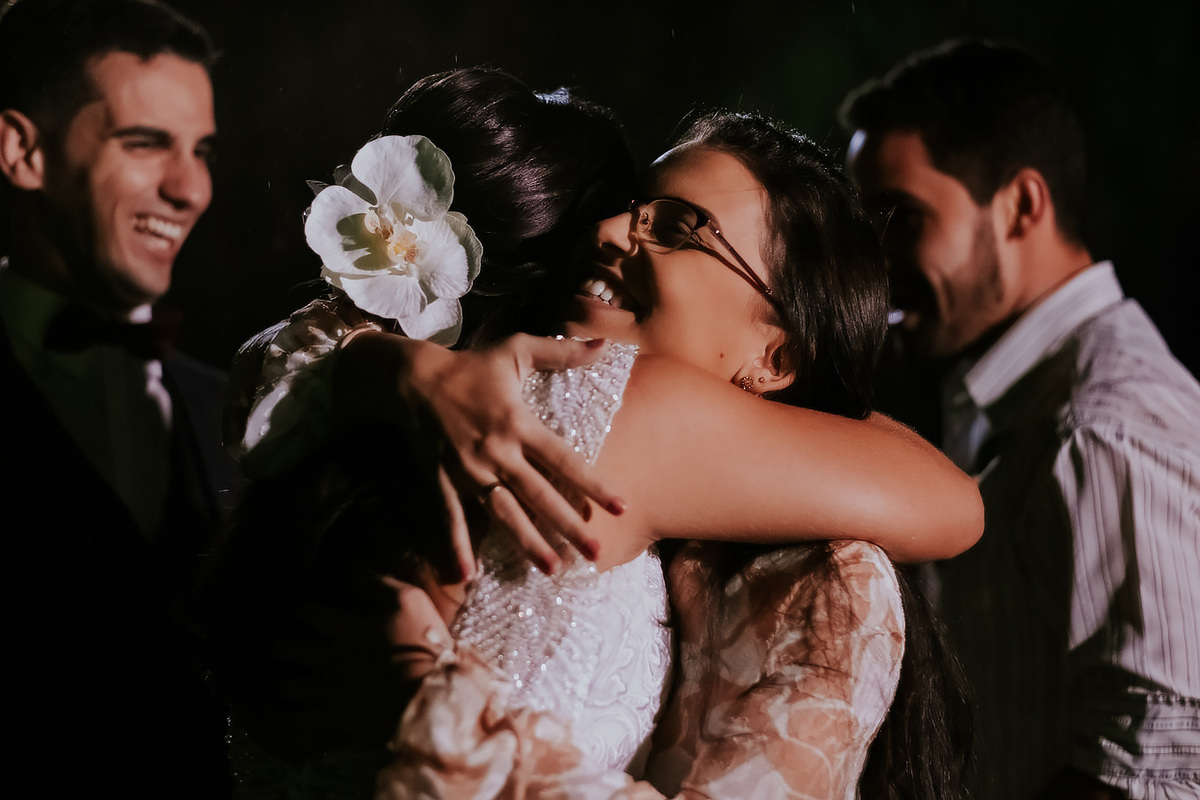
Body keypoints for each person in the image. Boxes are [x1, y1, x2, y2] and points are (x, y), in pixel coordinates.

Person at [217, 69, 979, 799]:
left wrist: (381, 356)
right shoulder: (617, 401)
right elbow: (953, 503)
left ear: (775, 355)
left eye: (679, 229)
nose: (612, 231)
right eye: (628, 207)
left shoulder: (417, 394)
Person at [841, 38, 1200, 800]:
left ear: (1021, 205)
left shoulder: (1102, 424)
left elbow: (1167, 757)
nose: (874, 256)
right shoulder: (1011, 396)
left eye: (901, 218)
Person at [0, 0, 234, 795]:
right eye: (145, 144)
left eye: (201, 150)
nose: (190, 188)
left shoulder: (237, 408)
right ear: (22, 151)